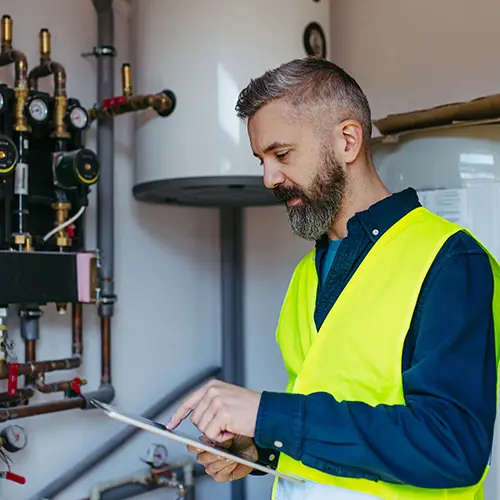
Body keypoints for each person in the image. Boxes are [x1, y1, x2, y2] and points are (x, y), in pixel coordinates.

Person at [167, 57, 500, 500]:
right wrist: (259, 449)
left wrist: (270, 416)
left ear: (347, 141)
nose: (269, 178)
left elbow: (452, 446)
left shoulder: (450, 260)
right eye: (261, 159)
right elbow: (331, 420)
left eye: (282, 154)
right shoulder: (308, 273)